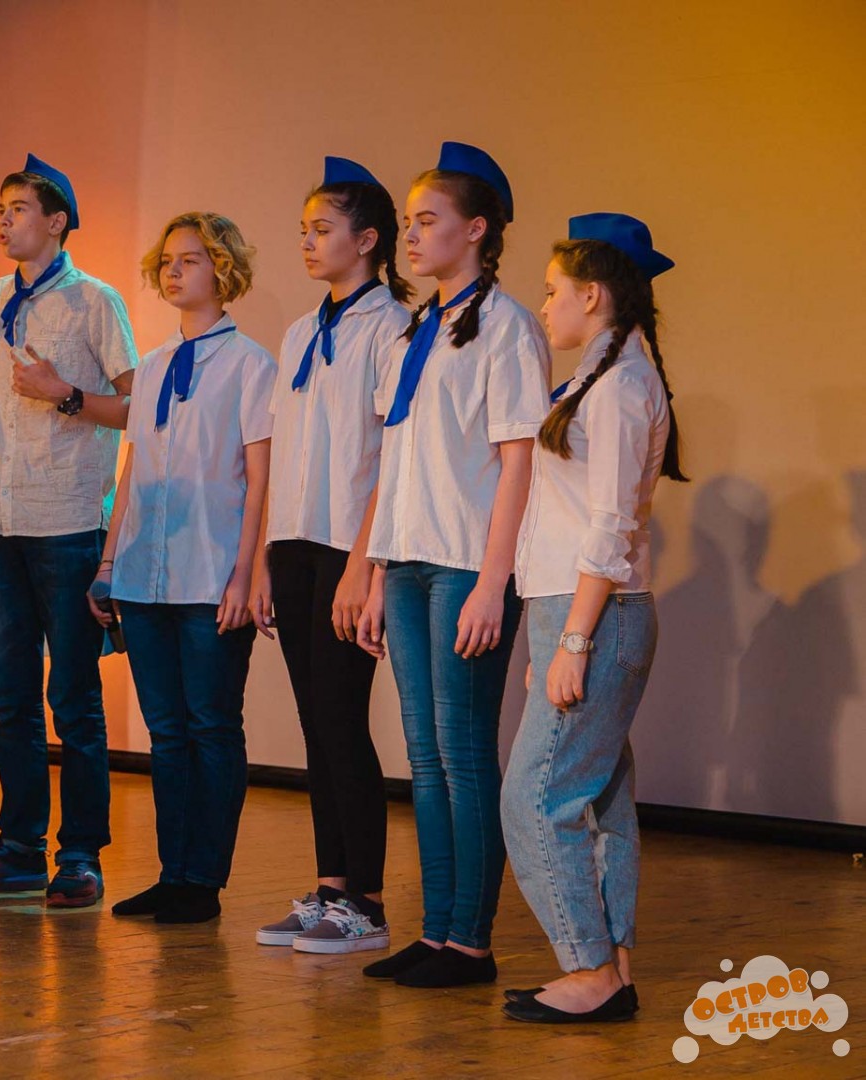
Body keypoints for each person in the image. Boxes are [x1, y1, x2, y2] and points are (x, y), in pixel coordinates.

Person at [0, 153, 139, 908]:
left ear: (56, 222)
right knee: (8, 698)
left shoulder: (94, 301)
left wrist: (64, 393)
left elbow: (138, 408)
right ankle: (17, 846)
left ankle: (80, 853)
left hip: (67, 522)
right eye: (1, 209)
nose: (3, 221)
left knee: (72, 699)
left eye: (17, 209)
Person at [356, 142, 551, 988]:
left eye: (427, 220)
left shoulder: (507, 327)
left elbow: (519, 463)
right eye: (407, 221)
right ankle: (436, 932)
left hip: (464, 566)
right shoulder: (413, 330)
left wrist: (492, 582)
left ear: (475, 230)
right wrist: (373, 571)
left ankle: (469, 940)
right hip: (406, 560)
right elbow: (394, 461)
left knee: (464, 751)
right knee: (425, 755)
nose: (410, 235)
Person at [500, 214, 685, 1023]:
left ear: (592, 294)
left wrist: (573, 638)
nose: (544, 306)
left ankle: (589, 968)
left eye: (553, 291)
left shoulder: (620, 387)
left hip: (597, 616)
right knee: (599, 799)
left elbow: (609, 526)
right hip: (576, 611)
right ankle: (611, 967)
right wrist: (553, 637)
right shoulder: (601, 379)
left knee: (534, 797)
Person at [249, 157, 412, 953]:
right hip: (295, 542)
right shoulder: (299, 332)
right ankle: (330, 888)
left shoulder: (393, 327)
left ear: (368, 239)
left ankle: (367, 903)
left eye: (323, 229)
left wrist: (365, 563)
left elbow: (387, 455)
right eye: (304, 230)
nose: (308, 243)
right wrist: (265, 560)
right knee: (315, 723)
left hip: (350, 544)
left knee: (344, 719)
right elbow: (286, 451)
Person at [94, 212, 273, 924]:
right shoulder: (155, 364)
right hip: (145, 575)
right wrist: (110, 561)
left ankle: (205, 880)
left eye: (191, 259)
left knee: (211, 725)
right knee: (166, 732)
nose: (174, 271)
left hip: (211, 575)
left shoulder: (251, 364)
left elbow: (259, 479)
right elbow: (134, 466)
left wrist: (245, 574)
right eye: (168, 260)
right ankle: (173, 874)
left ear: (222, 270)